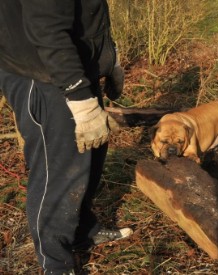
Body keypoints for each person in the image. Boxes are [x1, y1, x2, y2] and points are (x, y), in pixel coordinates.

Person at [0, 0, 132, 274]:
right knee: (59, 171)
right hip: (47, 74)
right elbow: (46, 28)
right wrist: (80, 98)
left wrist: (109, 58)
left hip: (73, 67)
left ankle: (81, 230)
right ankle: (55, 263)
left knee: (89, 159)